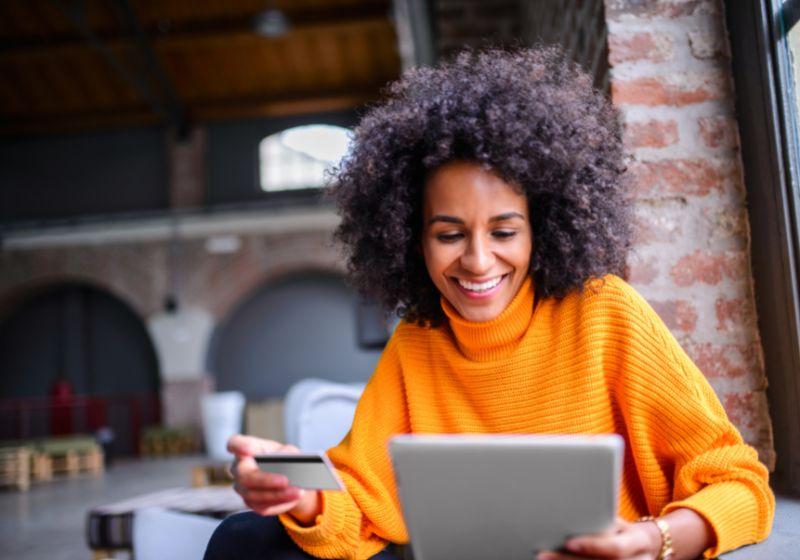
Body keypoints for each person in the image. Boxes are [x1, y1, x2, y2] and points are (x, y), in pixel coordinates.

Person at [204, 47, 774, 560]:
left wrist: (653, 540)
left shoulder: (605, 313)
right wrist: (303, 498)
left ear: (541, 229)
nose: (477, 262)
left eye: (504, 233)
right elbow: (362, 506)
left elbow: (741, 485)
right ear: (411, 237)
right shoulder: (418, 343)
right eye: (449, 235)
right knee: (242, 539)